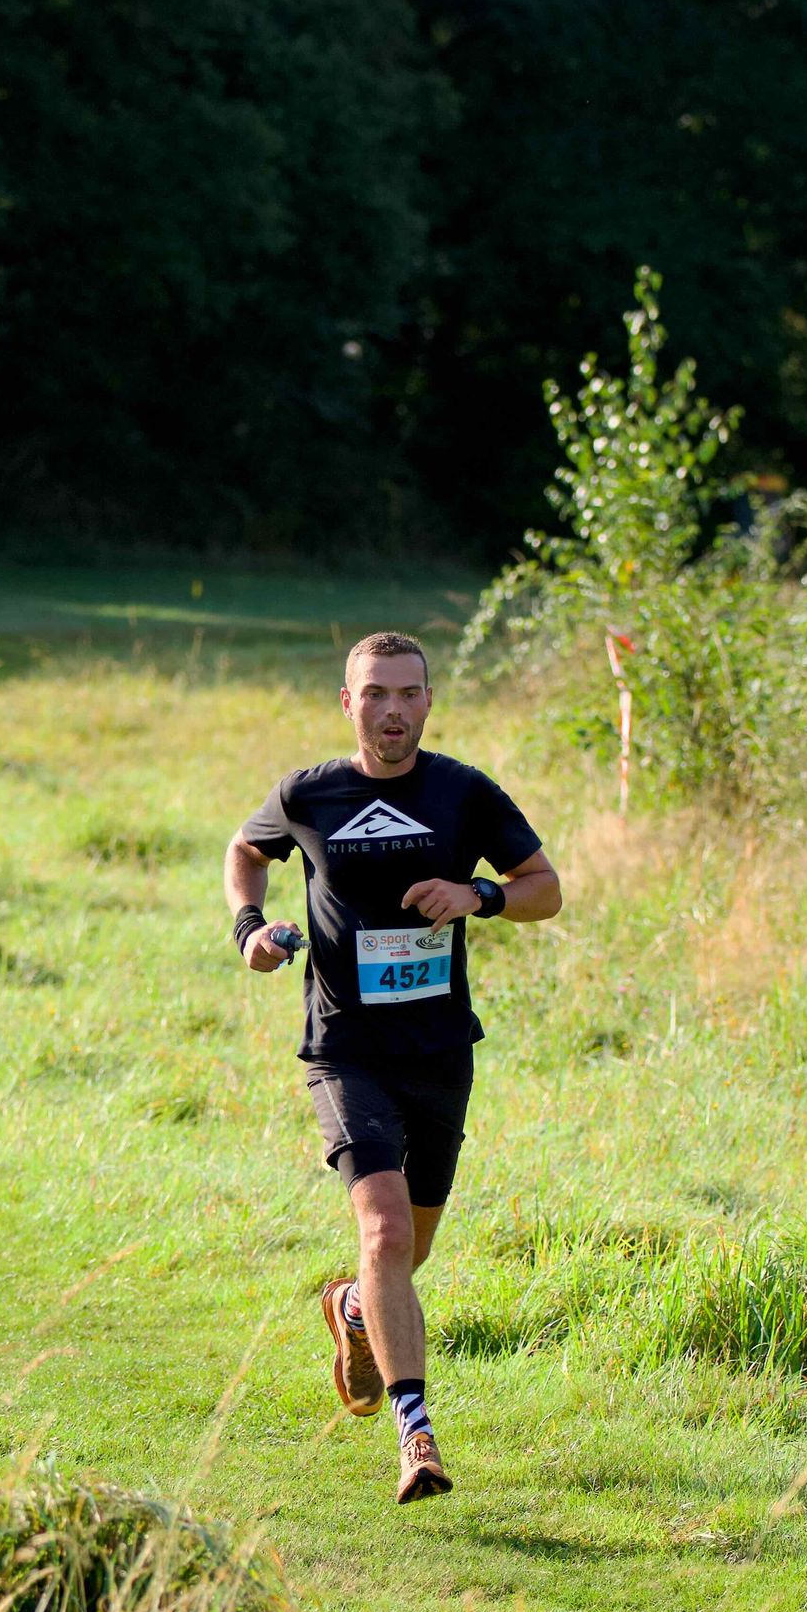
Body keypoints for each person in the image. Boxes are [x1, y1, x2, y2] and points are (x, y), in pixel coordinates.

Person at [227, 628, 560, 1504]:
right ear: (349, 703)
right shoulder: (310, 794)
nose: (392, 711)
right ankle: (418, 1437)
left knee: (410, 1250)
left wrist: (477, 895)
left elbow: (546, 888)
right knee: (385, 1234)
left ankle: (352, 1309)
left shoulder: (463, 792)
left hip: (440, 1052)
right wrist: (251, 930)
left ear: (428, 702)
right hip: (345, 1051)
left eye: (409, 693)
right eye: (375, 693)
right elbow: (246, 851)